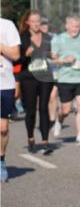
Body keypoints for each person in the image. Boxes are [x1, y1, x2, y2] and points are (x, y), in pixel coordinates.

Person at [50, 15, 80, 146]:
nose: (75, 29)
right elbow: (53, 59)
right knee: (66, 110)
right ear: (67, 26)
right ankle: (59, 121)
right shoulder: (59, 39)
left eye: (77, 26)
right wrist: (64, 60)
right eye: (72, 26)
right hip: (65, 78)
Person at [17, 10, 55, 154]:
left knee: (44, 108)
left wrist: (53, 55)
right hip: (29, 78)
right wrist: (25, 55)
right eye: (33, 21)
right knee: (31, 110)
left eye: (38, 21)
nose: (36, 24)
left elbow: (51, 54)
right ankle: (31, 138)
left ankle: (45, 142)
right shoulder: (22, 38)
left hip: (45, 76)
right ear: (27, 22)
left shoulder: (47, 37)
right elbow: (17, 60)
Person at [0, 16, 22, 182]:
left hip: (4, 84)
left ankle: (0, 159)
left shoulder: (7, 26)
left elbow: (15, 54)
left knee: (3, 129)